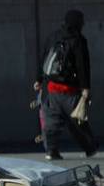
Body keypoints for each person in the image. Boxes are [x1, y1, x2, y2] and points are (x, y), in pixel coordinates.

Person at [38, 10, 97, 160]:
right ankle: (90, 148)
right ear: (78, 22)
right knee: (77, 121)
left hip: (51, 89)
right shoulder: (78, 40)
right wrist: (85, 88)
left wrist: (38, 79)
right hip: (70, 91)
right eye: (82, 21)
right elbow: (82, 66)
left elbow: (44, 57)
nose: (83, 24)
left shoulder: (53, 37)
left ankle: (51, 151)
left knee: (51, 122)